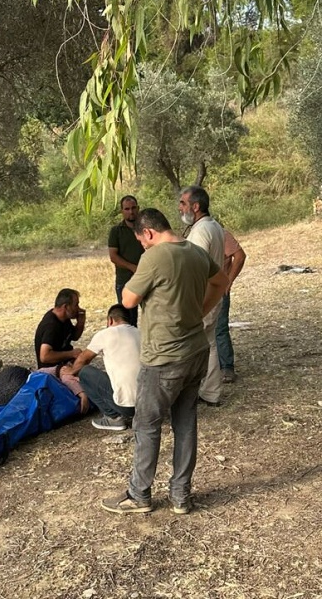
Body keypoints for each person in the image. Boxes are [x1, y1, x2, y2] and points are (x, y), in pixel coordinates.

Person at [101, 208, 229, 515]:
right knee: (185, 423)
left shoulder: (155, 256)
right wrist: (200, 310)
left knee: (147, 425)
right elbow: (221, 281)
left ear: (148, 233)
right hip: (196, 351)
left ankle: (139, 494)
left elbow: (128, 300)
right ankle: (180, 496)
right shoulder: (195, 252)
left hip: (164, 357)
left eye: (142, 241)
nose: (143, 246)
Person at [179, 185, 226, 406]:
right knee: (209, 342)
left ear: (195, 207)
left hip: (203, 296)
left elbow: (193, 267)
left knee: (194, 344)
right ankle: (211, 391)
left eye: (183, 203)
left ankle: (198, 391)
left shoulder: (201, 232)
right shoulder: (214, 226)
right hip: (213, 293)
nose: (180, 208)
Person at [69, 304, 140, 431]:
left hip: (128, 407)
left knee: (85, 372)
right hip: (150, 403)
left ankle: (113, 418)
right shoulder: (141, 333)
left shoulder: (106, 334)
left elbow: (83, 360)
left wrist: (70, 372)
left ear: (110, 320)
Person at [33, 288, 89, 412]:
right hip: (55, 369)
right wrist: (71, 353)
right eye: (76, 305)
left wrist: (81, 322)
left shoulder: (64, 319)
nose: (78, 308)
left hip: (66, 363)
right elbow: (44, 356)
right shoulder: (51, 325)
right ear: (66, 306)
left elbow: (73, 336)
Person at [108, 195, 145, 326]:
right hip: (125, 281)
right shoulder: (116, 231)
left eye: (134, 208)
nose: (131, 211)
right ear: (122, 211)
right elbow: (113, 256)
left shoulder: (146, 229)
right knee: (128, 320)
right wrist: (132, 267)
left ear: (138, 208)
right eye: (127, 209)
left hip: (146, 279)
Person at [216, 229, 247, 384]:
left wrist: (228, 281)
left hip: (218, 289)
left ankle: (227, 367)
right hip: (199, 290)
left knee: (219, 329)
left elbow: (240, 256)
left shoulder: (221, 233)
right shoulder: (191, 232)